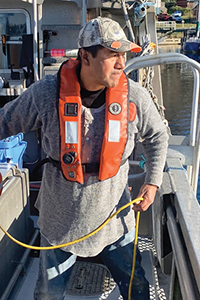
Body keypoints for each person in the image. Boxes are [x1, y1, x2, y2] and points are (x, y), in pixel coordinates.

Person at [0, 17, 168, 300]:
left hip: (115, 221)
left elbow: (157, 137)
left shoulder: (134, 97)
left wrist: (152, 181)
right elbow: (4, 122)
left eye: (123, 55)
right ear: (85, 56)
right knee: (49, 295)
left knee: (137, 289)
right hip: (59, 226)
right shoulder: (45, 95)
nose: (121, 64)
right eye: (112, 55)